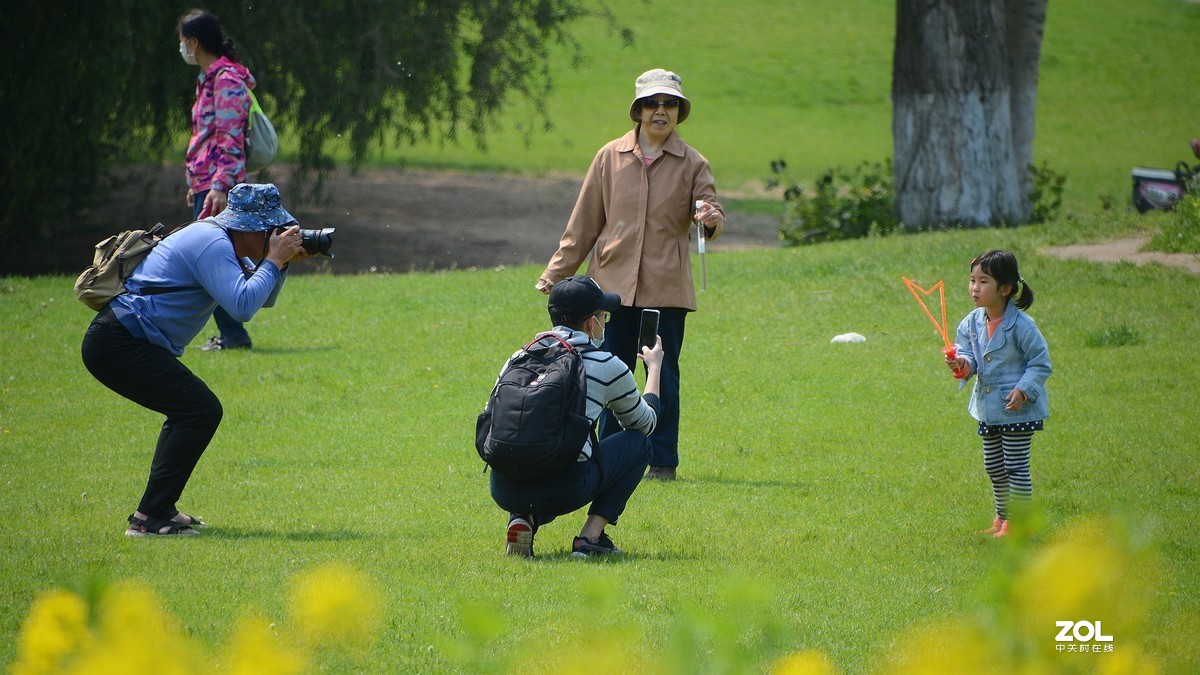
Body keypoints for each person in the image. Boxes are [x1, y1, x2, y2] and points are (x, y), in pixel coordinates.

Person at [82, 183, 310, 536]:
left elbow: (261, 298)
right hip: (118, 342)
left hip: (127, 341)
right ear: (248, 227)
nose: (275, 237)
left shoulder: (220, 240)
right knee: (200, 410)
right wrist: (274, 259)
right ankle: (148, 518)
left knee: (191, 410)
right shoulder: (212, 243)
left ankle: (157, 510)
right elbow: (243, 306)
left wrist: (281, 264)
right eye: (272, 231)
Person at [536, 68, 724, 482]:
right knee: (606, 370)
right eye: (653, 104)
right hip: (611, 291)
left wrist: (709, 218)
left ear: (679, 112)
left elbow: (710, 212)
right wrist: (556, 273)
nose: (661, 111)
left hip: (666, 289)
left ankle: (661, 463)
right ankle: (607, 457)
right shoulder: (608, 157)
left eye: (670, 104)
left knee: (664, 374)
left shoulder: (694, 163)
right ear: (638, 111)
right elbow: (583, 223)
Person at [488, 276, 664, 558]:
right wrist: (654, 369)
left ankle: (523, 518)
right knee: (638, 444)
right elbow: (645, 424)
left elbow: (492, 417)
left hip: (504, 486)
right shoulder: (606, 364)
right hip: (563, 488)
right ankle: (589, 538)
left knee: (531, 441)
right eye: (603, 315)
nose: (605, 322)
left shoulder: (519, 356)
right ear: (590, 322)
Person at [945, 250, 1052, 539]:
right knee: (993, 465)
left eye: (983, 281)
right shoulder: (970, 323)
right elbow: (971, 358)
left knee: (1015, 466)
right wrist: (962, 365)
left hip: (1017, 409)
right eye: (972, 280)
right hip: (989, 409)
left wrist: (1023, 390)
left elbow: (1041, 363)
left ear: (1005, 289)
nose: (974, 288)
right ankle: (1004, 518)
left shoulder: (1022, 326)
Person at [178, 8, 259, 351]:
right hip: (206, 183)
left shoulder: (225, 80)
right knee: (212, 259)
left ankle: (234, 336)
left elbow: (229, 137)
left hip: (218, 186)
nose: (181, 48)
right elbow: (207, 137)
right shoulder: (210, 79)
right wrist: (196, 182)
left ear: (194, 42)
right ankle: (232, 334)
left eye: (183, 42)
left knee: (211, 261)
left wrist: (220, 185)